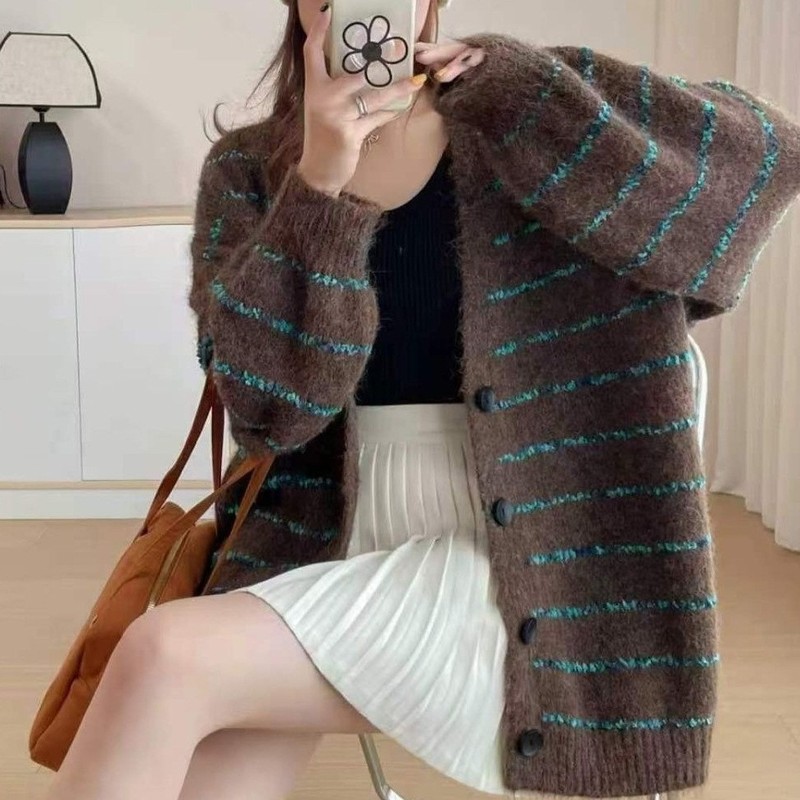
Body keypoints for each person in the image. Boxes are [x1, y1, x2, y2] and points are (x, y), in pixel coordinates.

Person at [44, 2, 800, 799]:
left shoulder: (535, 110)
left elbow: (765, 159)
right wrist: (319, 184)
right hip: (320, 545)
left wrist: (530, 98)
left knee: (164, 657)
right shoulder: (247, 170)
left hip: (524, 564)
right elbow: (272, 416)